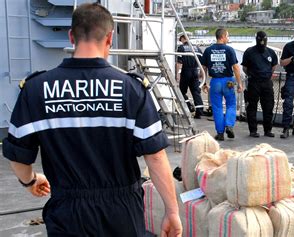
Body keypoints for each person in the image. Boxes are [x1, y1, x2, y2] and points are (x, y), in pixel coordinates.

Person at [1, 3, 182, 236]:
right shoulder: (131, 89)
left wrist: (30, 180)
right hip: (122, 210)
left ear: (71, 37)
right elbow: (156, 156)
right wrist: (172, 211)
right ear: (109, 38)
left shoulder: (36, 89)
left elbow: (18, 156)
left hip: (67, 211)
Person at [201, 28, 243, 141]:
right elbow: (235, 67)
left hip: (215, 81)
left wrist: (204, 83)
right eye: (227, 36)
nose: (228, 38)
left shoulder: (208, 50)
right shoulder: (229, 50)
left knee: (217, 107)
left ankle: (220, 133)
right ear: (223, 36)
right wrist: (239, 83)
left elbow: (203, 68)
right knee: (231, 104)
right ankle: (229, 125)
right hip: (228, 81)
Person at [241, 31, 278, 138]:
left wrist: (267, 76)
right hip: (254, 82)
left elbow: (273, 66)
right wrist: (253, 76)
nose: (262, 42)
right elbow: (245, 68)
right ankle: (253, 130)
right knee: (252, 107)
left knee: (268, 106)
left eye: (264, 40)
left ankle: (268, 130)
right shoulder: (249, 52)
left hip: (266, 82)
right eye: (260, 40)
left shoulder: (271, 52)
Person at [176, 34, 204, 119]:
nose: (181, 42)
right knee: (196, 92)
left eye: (181, 40)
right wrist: (201, 74)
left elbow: (179, 63)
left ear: (184, 38)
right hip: (195, 71)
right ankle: (199, 112)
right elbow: (202, 63)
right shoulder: (197, 48)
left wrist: (177, 75)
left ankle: (189, 107)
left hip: (185, 71)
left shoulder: (181, 48)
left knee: (182, 92)